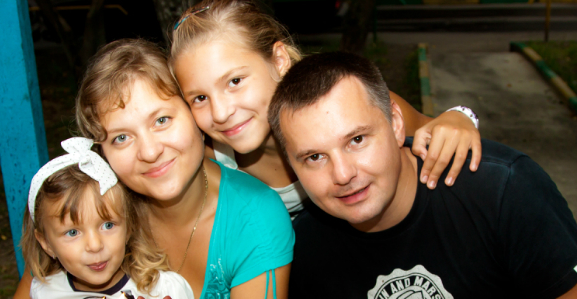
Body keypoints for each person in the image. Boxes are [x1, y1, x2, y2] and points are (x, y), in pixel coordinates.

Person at [268, 51, 577, 299]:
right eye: (314, 157)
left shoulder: (501, 189)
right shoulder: (307, 238)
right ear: (292, 166)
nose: (342, 175)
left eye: (357, 140)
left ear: (397, 124)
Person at [3, 39, 293, 299]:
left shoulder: (253, 217)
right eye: (121, 138)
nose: (150, 151)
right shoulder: (100, 210)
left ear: (193, 113)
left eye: (162, 120)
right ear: (101, 152)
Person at [169, 0, 483, 220]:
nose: (220, 112)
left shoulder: (346, 104)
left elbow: (434, 130)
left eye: (235, 81)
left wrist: (460, 117)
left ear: (279, 60)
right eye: (199, 98)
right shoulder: (208, 160)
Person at [21, 136, 195, 299]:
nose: (95, 245)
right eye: (72, 232)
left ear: (129, 226)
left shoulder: (164, 290)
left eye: (108, 225)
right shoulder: (45, 294)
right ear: (46, 243)